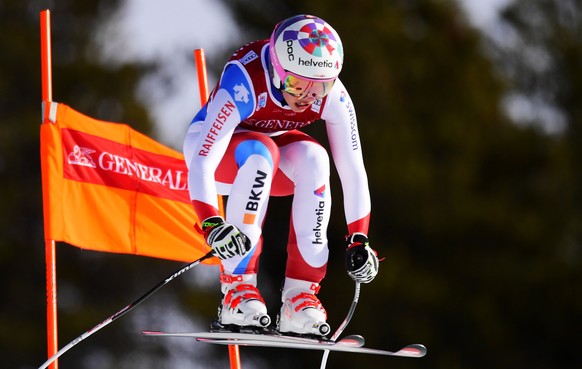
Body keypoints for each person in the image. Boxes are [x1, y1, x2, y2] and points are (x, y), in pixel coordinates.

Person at [183, 14, 380, 336]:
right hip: (217, 154)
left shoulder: (334, 96)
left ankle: (300, 297)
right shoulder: (245, 78)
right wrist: (211, 223)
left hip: (270, 153)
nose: (306, 96)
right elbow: (204, 160)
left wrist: (359, 239)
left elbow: (353, 169)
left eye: (320, 86)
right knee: (261, 153)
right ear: (276, 68)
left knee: (315, 158)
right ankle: (237, 290)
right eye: (297, 83)